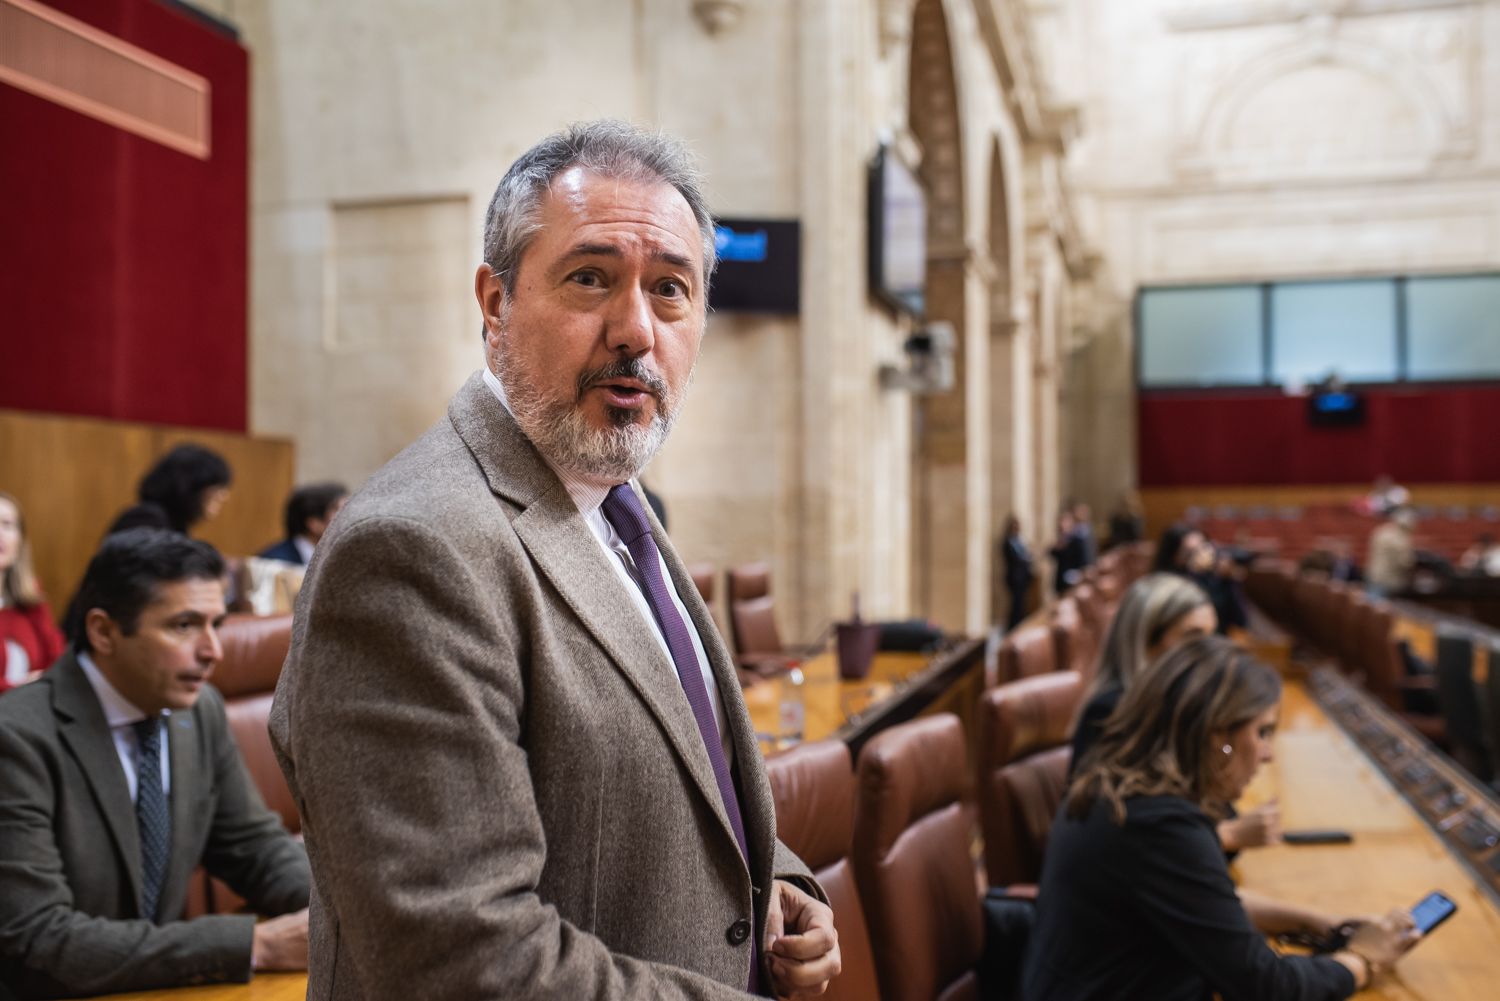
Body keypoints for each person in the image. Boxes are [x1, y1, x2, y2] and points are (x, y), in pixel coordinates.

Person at [269, 121, 839, 1000]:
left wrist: (781, 887)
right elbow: (459, 958)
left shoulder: (614, 501)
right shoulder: (414, 548)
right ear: (495, 303)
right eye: (590, 278)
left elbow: (671, 775)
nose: (635, 330)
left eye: (671, 289)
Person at [0, 528, 310, 998]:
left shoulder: (199, 709)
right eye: (184, 626)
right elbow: (39, 937)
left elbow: (251, 846)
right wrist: (256, 946)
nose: (213, 651)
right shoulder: (16, 737)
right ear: (103, 631)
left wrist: (338, 907)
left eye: (217, 623)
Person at [1027, 636, 1420, 1000]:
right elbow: (1266, 987)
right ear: (1219, 736)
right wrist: (1362, 961)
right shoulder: (1160, 825)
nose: (1267, 754)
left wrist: (1322, 922)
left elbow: (1204, 905)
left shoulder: (1116, 785)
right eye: (1262, 732)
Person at [1069, 574, 1277, 855]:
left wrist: (1233, 747)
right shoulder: (1113, 710)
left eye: (1212, 635)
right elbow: (1123, 830)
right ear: (1145, 639)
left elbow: (1214, 780)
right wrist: (1229, 835)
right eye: (1193, 638)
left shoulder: (1178, 708)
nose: (1207, 650)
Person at [0, 491, 65, 692]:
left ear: (20, 540)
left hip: (32, 707)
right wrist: (20, 690)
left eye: (7, 524)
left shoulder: (30, 598)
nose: (0, 534)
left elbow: (57, 661)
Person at [108, 444, 233, 537]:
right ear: (189, 485)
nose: (224, 495)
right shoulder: (145, 519)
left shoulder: (175, 524)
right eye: (216, 487)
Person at [258, 482, 349, 565]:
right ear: (314, 523)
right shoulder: (275, 563)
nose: (348, 519)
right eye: (340, 512)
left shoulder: (341, 556)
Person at [1366, 506, 1416, 597]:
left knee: (1371, 601)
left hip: (1374, 573)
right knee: (1381, 604)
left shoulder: (1382, 531)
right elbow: (1404, 561)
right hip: (1387, 578)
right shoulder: (1400, 539)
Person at [1001, 515, 1034, 631]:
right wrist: (1026, 558)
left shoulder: (1019, 540)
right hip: (1015, 577)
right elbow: (1014, 558)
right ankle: (1012, 626)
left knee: (1021, 603)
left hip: (1023, 576)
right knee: (1015, 603)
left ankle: (1019, 624)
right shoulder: (1008, 542)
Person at [1049, 510, 1085, 594]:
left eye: (1065, 522)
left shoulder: (1076, 539)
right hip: (1061, 577)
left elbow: (1082, 559)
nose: (1062, 524)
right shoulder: (1061, 539)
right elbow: (1052, 553)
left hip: (1073, 578)